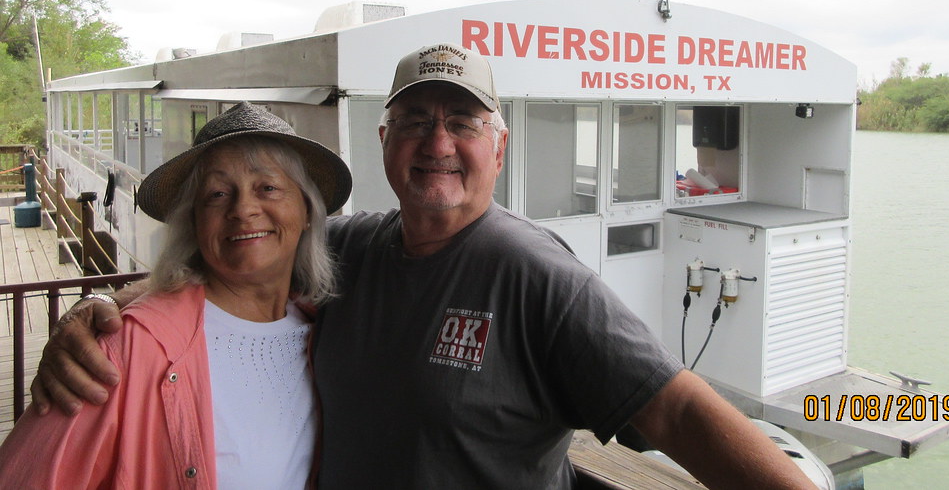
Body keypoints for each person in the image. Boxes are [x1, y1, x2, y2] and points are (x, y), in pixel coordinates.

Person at [31, 45, 816, 489]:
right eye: (414, 120)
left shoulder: (537, 276)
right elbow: (244, 254)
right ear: (385, 141)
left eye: (462, 121)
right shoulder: (355, 250)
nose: (437, 141)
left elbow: (678, 414)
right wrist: (112, 310)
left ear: (497, 146)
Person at [2, 102, 352, 489]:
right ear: (195, 223)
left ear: (307, 211)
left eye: (268, 187)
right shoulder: (127, 348)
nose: (244, 209)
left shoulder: (320, 331)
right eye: (217, 194)